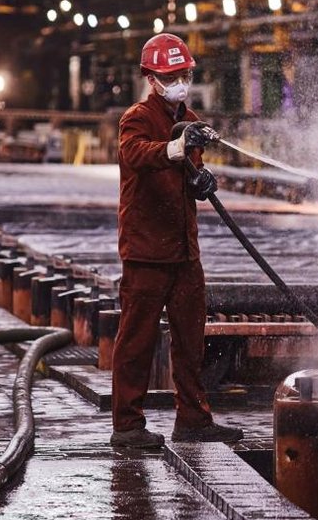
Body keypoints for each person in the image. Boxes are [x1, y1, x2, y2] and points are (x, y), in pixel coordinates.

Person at [110, 33, 242, 448]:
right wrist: (175, 148)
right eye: (172, 75)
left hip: (184, 250)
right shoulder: (137, 118)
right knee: (137, 340)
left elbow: (187, 167)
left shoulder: (190, 118)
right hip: (147, 251)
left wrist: (200, 180)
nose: (180, 81)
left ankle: (193, 419)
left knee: (190, 339)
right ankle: (127, 425)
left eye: (184, 73)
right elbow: (137, 154)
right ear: (152, 78)